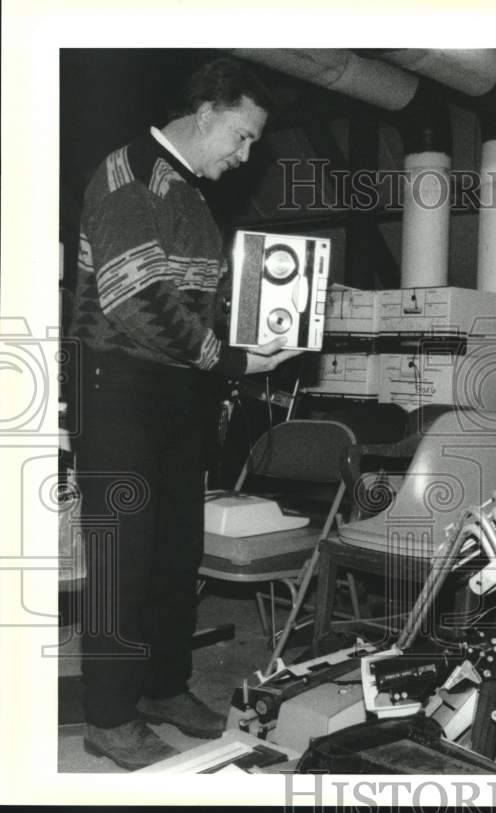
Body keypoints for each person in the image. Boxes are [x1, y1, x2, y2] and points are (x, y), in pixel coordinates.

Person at [67, 57, 300, 771]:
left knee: (173, 552)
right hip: (117, 383)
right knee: (123, 557)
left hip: (173, 391)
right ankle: (107, 716)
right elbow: (136, 298)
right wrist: (230, 360)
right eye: (242, 135)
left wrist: (258, 328)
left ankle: (164, 687)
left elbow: (197, 304)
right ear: (205, 113)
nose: (245, 154)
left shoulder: (193, 198)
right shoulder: (129, 173)